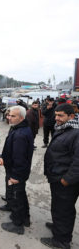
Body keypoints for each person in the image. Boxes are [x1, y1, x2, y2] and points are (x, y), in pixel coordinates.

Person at [41, 103, 79, 249]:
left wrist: (67, 179)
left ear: (71, 116)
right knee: (58, 207)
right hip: (57, 177)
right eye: (56, 115)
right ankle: (58, 227)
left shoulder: (76, 133)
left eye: (60, 115)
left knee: (64, 209)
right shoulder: (64, 129)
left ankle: (61, 241)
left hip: (66, 181)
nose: (56, 118)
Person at [0, 106, 34, 235]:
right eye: (9, 115)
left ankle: (17, 224)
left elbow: (19, 158)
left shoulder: (20, 134)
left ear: (21, 118)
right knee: (20, 195)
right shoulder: (19, 128)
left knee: (16, 197)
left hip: (16, 172)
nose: (9, 117)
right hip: (16, 170)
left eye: (13, 116)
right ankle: (25, 218)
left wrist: (15, 176)